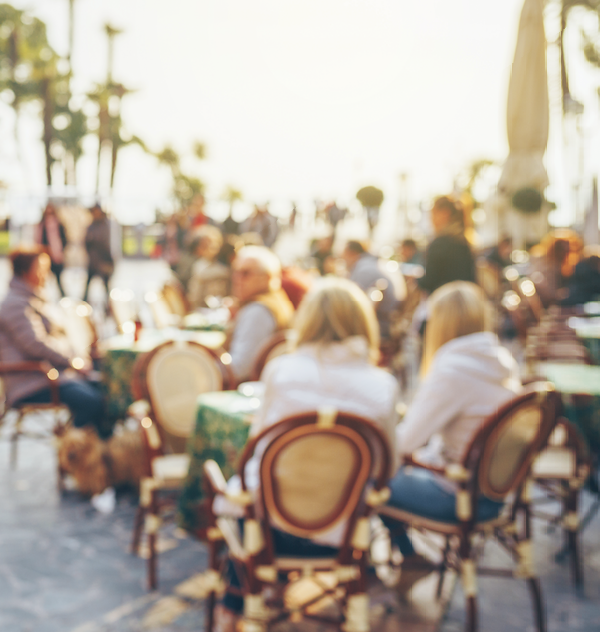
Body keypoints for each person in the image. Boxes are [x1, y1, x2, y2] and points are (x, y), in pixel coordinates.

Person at [215, 278, 398, 629]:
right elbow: (389, 465)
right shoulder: (382, 387)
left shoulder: (281, 372)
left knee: (243, 493)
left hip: (272, 530)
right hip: (344, 534)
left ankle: (233, 609)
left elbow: (257, 451)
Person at [382, 282, 520, 588]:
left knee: (363, 475)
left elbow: (404, 443)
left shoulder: (453, 369)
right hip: (493, 492)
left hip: (458, 497)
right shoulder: (498, 360)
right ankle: (409, 559)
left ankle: (384, 565)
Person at [0, 247, 106, 434]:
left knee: (108, 389)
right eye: (41, 268)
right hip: (32, 381)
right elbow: (35, 345)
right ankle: (74, 450)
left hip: (51, 375)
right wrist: (73, 362)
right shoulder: (16, 304)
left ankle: (101, 451)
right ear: (25, 271)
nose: (46, 275)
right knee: (94, 401)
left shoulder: (32, 298)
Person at [226, 246, 294, 382]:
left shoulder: (258, 311)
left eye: (245, 273)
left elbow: (239, 368)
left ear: (267, 277)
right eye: (235, 272)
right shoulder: (276, 299)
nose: (237, 278)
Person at [342, 240, 405, 339]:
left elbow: (352, 302)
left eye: (343, 255)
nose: (343, 259)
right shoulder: (374, 263)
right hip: (391, 318)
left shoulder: (364, 269)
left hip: (381, 323)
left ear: (351, 253)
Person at [417, 195, 475, 295]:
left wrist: (416, 281)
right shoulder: (463, 240)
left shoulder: (440, 243)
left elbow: (430, 281)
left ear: (445, 213)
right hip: (463, 302)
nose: (431, 219)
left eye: (433, 213)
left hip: (443, 303)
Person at [529, 229, 583, 308]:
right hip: (550, 308)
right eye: (564, 250)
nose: (565, 254)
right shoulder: (547, 267)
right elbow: (550, 295)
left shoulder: (556, 265)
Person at [187, 226, 231, 308]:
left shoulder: (225, 262)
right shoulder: (198, 265)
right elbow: (195, 293)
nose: (210, 247)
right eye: (205, 245)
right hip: (203, 307)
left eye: (212, 243)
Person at [83, 204, 114, 304]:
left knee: (105, 284)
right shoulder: (92, 225)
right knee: (89, 283)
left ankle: (108, 304)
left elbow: (104, 243)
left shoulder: (104, 225)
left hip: (102, 260)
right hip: (93, 260)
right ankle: (85, 301)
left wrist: (108, 260)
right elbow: (86, 241)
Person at [36, 203, 68, 298]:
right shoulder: (42, 224)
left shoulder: (58, 224)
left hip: (55, 255)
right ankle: (41, 295)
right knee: (43, 278)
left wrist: (60, 251)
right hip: (45, 254)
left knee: (58, 278)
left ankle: (62, 296)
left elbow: (64, 239)